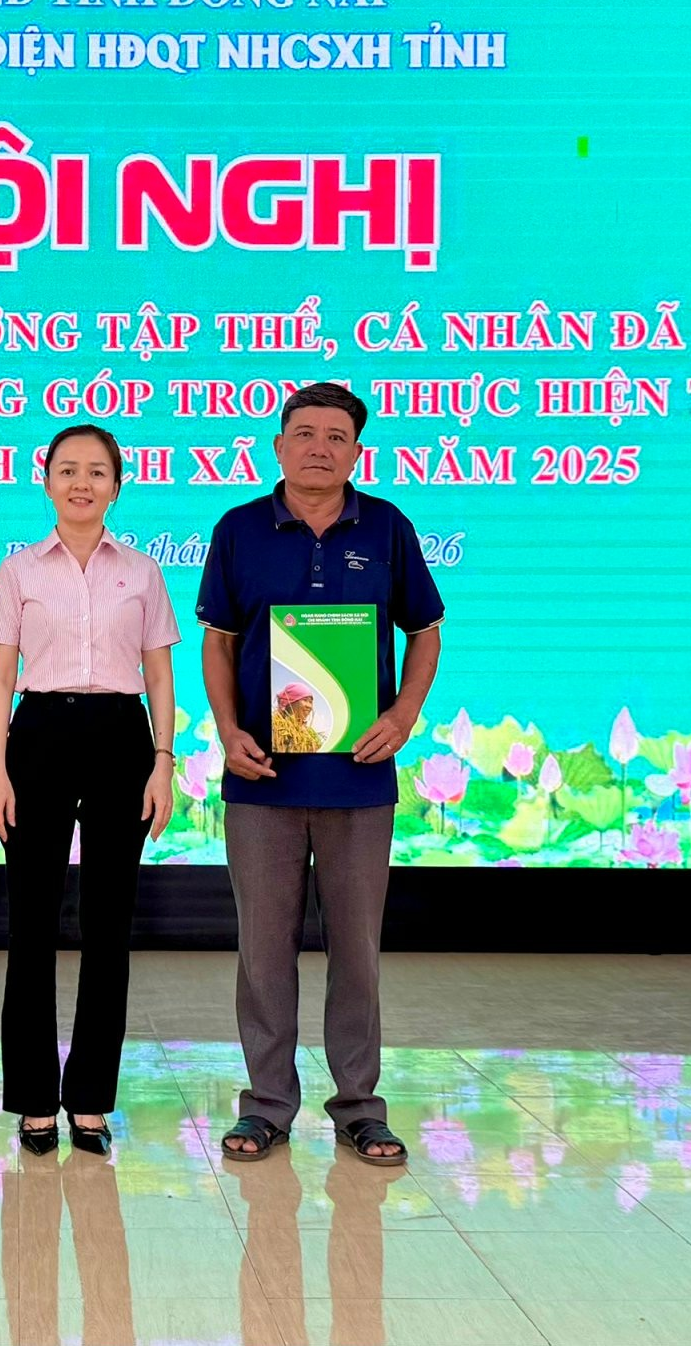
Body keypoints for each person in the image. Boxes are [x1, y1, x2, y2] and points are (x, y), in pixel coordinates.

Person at [196, 384, 444, 1167]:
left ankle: (360, 1109)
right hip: (262, 781)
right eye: (304, 434)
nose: (319, 448)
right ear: (278, 446)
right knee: (264, 955)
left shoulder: (388, 527)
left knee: (357, 954)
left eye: (337, 437)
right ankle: (267, 1106)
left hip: (359, 783)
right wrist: (228, 731)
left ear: (356, 452)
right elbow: (218, 642)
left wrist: (403, 715)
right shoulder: (239, 530)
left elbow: (426, 629)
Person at [0, 424, 178, 1157]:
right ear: (47, 483)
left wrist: (162, 762)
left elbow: (159, 675)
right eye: (68, 470)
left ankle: (90, 1099)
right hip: (38, 735)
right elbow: (0, 678)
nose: (81, 483)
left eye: (97, 471)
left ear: (117, 486)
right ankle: (35, 1100)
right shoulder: (19, 571)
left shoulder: (144, 572)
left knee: (109, 924)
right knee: (31, 924)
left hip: (122, 736)